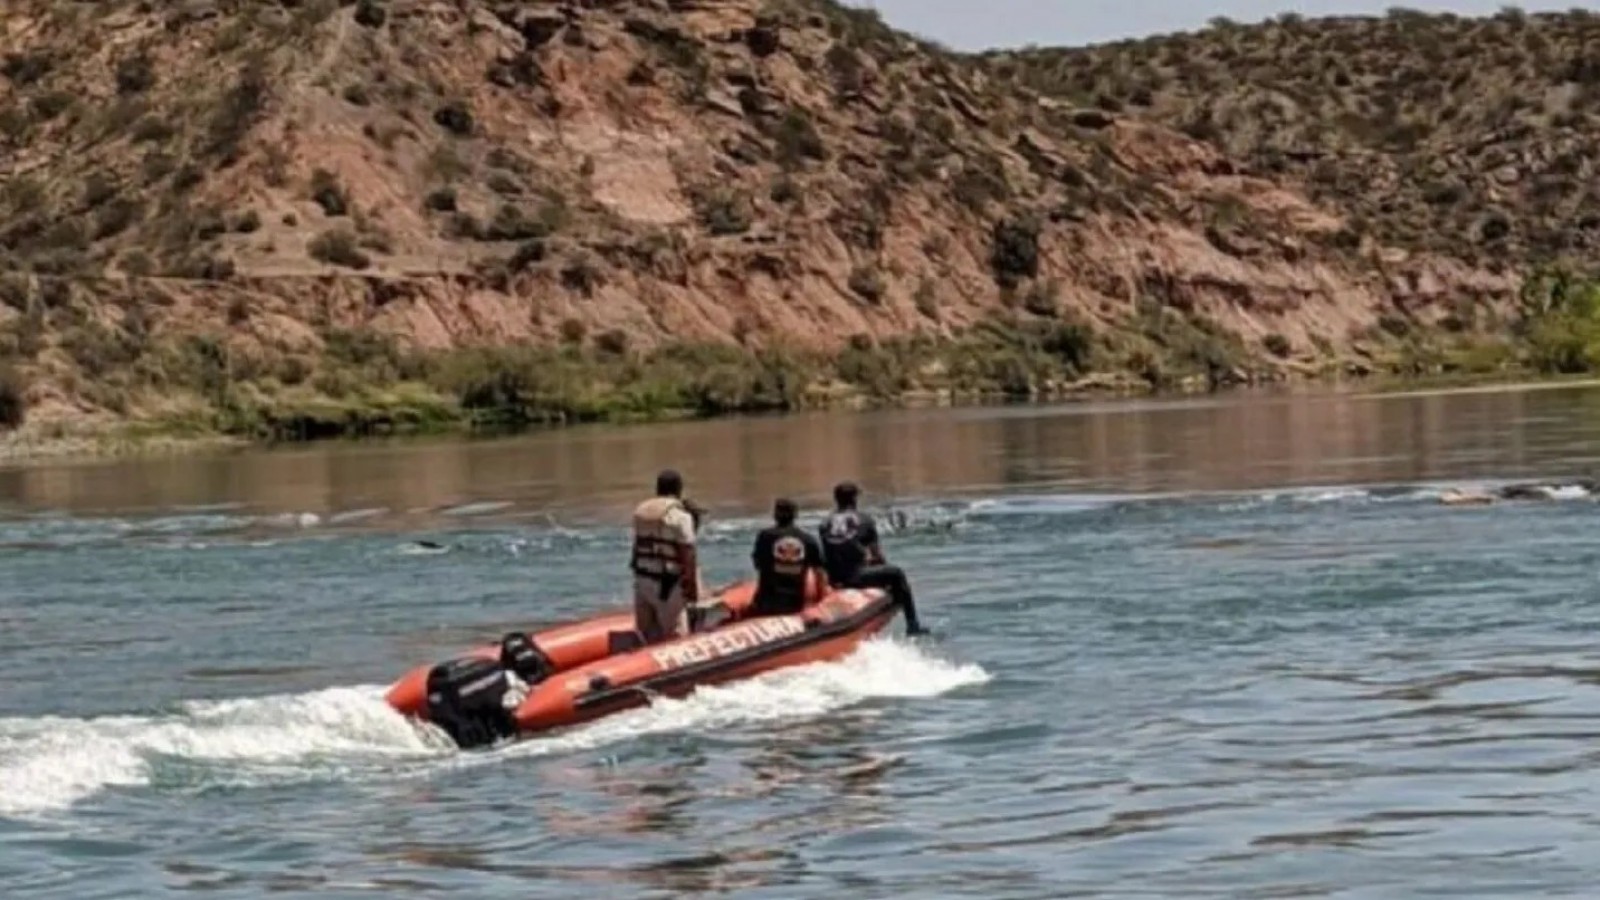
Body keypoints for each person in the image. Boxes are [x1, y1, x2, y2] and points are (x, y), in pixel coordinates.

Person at [819, 481, 929, 636]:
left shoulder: (824, 523)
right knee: (897, 574)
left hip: (834, 577)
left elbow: (831, 551)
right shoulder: (865, 520)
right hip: (855, 575)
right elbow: (877, 555)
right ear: (855, 499)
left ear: (836, 499)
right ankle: (913, 626)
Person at [629, 469, 702, 644]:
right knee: (677, 636)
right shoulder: (681, 516)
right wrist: (692, 588)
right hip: (667, 586)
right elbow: (688, 553)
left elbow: (636, 549)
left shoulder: (641, 513)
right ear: (679, 490)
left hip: (642, 581)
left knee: (646, 634)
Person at [750, 497, 827, 617]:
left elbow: (757, 564)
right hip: (794, 603)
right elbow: (819, 573)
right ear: (795, 515)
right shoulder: (808, 540)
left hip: (766, 602)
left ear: (775, 515)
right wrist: (821, 601)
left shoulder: (765, 536)